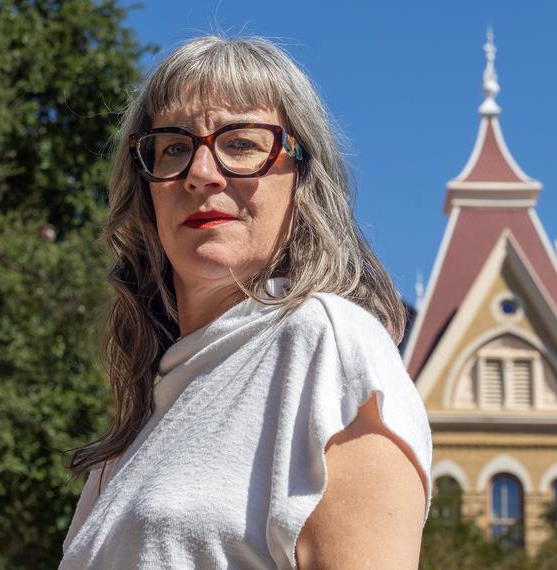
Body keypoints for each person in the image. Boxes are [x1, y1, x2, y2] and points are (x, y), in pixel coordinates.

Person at [59, 36, 432, 569]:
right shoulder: (145, 413)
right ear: (146, 194)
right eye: (173, 147)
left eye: (241, 144)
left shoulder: (331, 346)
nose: (201, 173)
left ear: (301, 180)